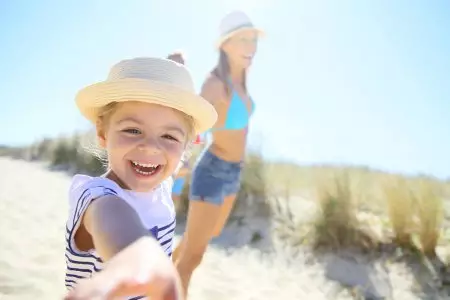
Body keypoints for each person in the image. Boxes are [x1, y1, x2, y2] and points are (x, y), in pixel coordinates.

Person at [63, 57, 217, 300]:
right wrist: (133, 255)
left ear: (185, 146)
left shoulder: (162, 181)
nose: (151, 148)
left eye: (169, 136)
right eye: (133, 130)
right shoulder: (97, 196)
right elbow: (111, 218)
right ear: (103, 132)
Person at [173, 10, 264, 296]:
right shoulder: (215, 84)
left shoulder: (242, 83)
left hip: (233, 173)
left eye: (253, 40)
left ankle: (163, 269)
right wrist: (182, 161)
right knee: (193, 259)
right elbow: (193, 123)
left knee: (202, 238)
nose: (251, 47)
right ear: (225, 45)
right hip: (213, 169)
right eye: (243, 40)